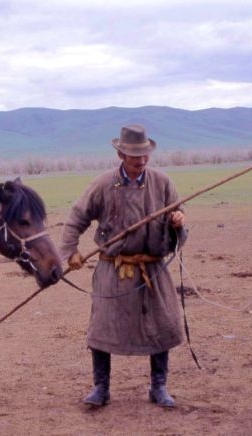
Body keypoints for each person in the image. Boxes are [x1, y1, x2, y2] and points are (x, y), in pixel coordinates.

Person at [60, 124, 187, 408]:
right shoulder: (103, 184)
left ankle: (159, 387)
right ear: (120, 154)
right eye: (133, 157)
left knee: (162, 325)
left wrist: (178, 221)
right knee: (103, 328)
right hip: (113, 269)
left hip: (152, 269)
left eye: (144, 156)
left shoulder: (162, 183)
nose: (140, 161)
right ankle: (101, 389)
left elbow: (178, 216)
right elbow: (76, 218)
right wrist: (70, 252)